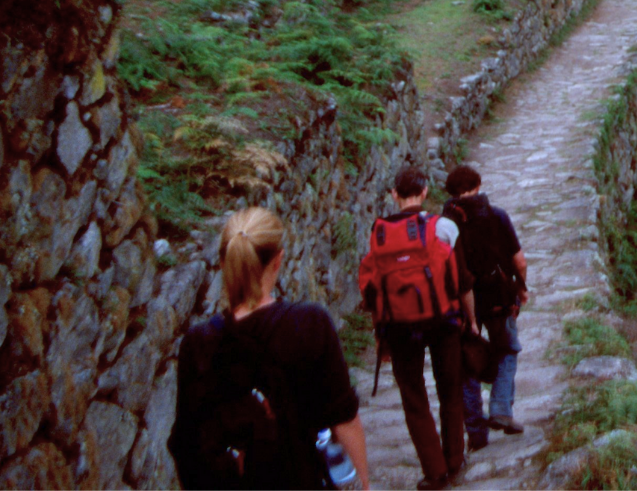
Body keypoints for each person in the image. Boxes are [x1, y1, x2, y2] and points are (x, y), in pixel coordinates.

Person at [170, 207, 372, 489]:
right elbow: (344, 418)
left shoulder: (198, 342)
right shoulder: (309, 323)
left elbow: (186, 441)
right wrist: (364, 483)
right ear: (278, 261)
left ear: (223, 262)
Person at [359, 167, 467, 491]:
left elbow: (371, 288)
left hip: (399, 327)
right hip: (443, 320)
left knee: (414, 398)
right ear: (424, 192)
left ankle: (435, 473)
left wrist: (380, 335)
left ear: (394, 194)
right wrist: (469, 318)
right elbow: (460, 279)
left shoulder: (378, 235)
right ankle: (455, 458)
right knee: (449, 389)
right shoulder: (444, 226)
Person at [442, 165, 528, 449]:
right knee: (507, 349)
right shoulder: (496, 216)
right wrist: (522, 286)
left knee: (468, 364)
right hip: (498, 297)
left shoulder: (444, 225)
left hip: (460, 302)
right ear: (479, 184)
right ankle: (501, 408)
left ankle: (476, 433)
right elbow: (519, 261)